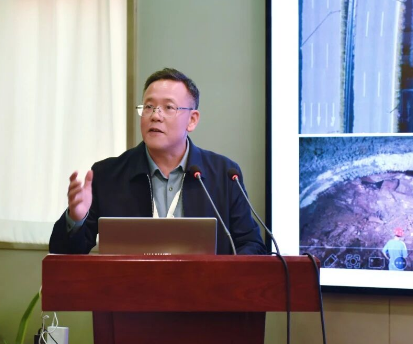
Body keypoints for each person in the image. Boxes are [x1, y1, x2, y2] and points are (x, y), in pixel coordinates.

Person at [49, 68, 266, 255]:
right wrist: (76, 219)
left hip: (204, 290)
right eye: (149, 107)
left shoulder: (224, 174)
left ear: (192, 120)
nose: (155, 115)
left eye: (168, 107)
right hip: (129, 290)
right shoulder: (108, 175)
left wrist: (224, 274)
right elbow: (63, 253)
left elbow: (252, 245)